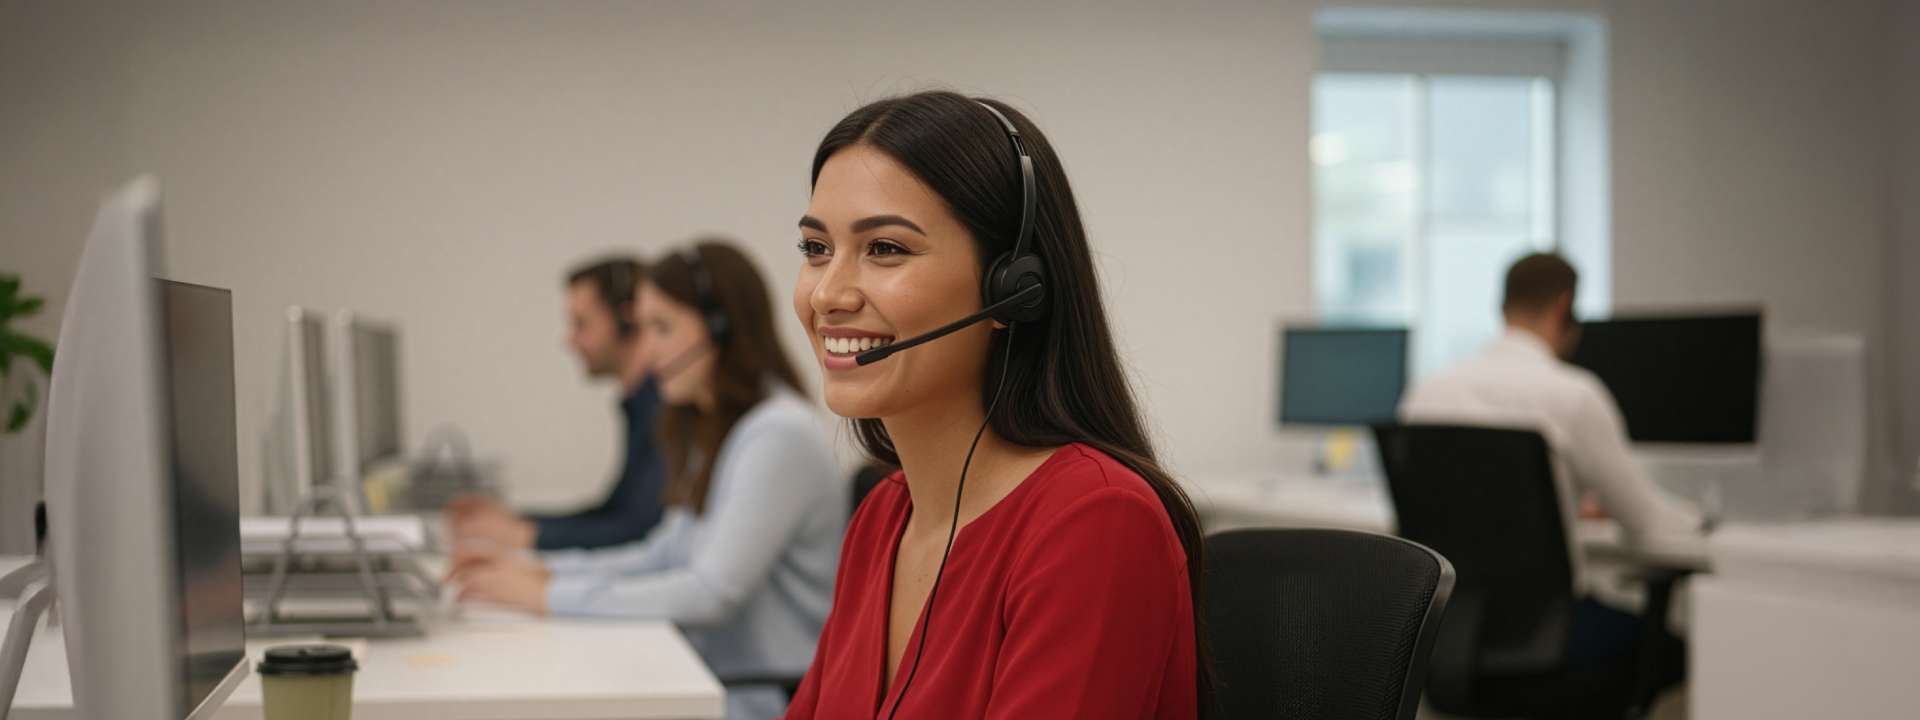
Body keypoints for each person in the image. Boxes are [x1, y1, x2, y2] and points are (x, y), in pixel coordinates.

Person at [782, 91, 1210, 719]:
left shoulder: (1095, 522)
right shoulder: (883, 516)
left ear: (1014, 289)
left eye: (885, 249)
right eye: (816, 249)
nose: (828, 294)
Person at [447, 241, 845, 720]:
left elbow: (709, 594)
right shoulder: (715, 427)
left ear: (720, 329)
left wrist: (547, 596)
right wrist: (546, 573)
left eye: (662, 327)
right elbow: (662, 553)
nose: (649, 348)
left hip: (760, 697)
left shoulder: (777, 434)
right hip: (710, 679)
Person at [1398, 252, 1703, 667]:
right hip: (1550, 636)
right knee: (1678, 649)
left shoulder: (1426, 392)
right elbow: (1649, 524)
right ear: (1565, 305)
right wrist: (1696, 516)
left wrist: (1568, 503)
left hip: (1450, 633)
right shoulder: (1572, 394)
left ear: (1502, 307)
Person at [447, 257, 670, 551]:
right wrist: (516, 520)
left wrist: (526, 536)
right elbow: (615, 511)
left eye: (581, 324)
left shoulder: (665, 407)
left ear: (627, 319)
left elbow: (639, 530)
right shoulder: (640, 403)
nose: (570, 341)